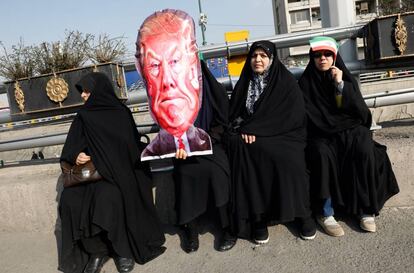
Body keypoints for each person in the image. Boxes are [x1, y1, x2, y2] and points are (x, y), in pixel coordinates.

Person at [136, 9, 236, 253]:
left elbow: (223, 119)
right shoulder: (164, 90)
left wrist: (207, 140)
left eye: (176, 61)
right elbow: (164, 123)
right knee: (185, 174)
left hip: (213, 145)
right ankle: (190, 229)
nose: (171, 76)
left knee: (216, 171)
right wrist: (179, 144)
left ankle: (226, 226)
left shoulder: (209, 87)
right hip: (182, 151)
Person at [59, 72, 166, 273]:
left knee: (110, 197)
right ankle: (97, 251)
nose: (82, 95)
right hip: (92, 176)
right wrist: (77, 156)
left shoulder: (120, 112)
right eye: (82, 91)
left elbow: (129, 149)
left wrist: (104, 160)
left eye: (86, 91)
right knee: (70, 200)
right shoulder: (83, 116)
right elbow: (71, 148)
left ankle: (122, 250)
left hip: (121, 174)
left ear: (99, 90)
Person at [298, 36, 399, 237]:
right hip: (321, 134)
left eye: (327, 54)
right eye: (317, 55)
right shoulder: (306, 83)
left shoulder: (345, 80)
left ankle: (365, 209)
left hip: (349, 129)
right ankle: (326, 213)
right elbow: (306, 118)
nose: (322, 59)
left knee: (364, 147)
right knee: (321, 153)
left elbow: (361, 114)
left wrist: (340, 85)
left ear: (335, 57)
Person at [227, 40, 316, 244]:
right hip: (254, 138)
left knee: (289, 159)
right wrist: (243, 129)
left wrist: (256, 129)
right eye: (254, 56)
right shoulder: (245, 82)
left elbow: (294, 116)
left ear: (271, 59)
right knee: (247, 153)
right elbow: (234, 114)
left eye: (263, 56)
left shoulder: (284, 82)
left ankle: (303, 213)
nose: (257, 60)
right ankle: (258, 217)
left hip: (285, 135)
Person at [135, 9, 212, 161]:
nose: (167, 81)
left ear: (192, 69)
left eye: (175, 62)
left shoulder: (212, 103)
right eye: (154, 66)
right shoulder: (156, 150)